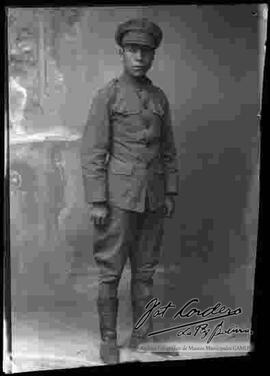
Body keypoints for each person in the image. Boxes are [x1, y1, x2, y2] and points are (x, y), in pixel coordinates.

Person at [81, 18, 179, 364]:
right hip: (118, 198)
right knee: (110, 270)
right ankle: (108, 340)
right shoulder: (107, 95)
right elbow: (92, 150)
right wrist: (96, 200)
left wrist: (169, 192)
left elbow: (168, 150)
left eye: (146, 52)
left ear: (153, 56)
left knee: (146, 271)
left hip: (152, 199)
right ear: (122, 53)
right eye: (133, 50)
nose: (139, 57)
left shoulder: (159, 98)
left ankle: (143, 335)